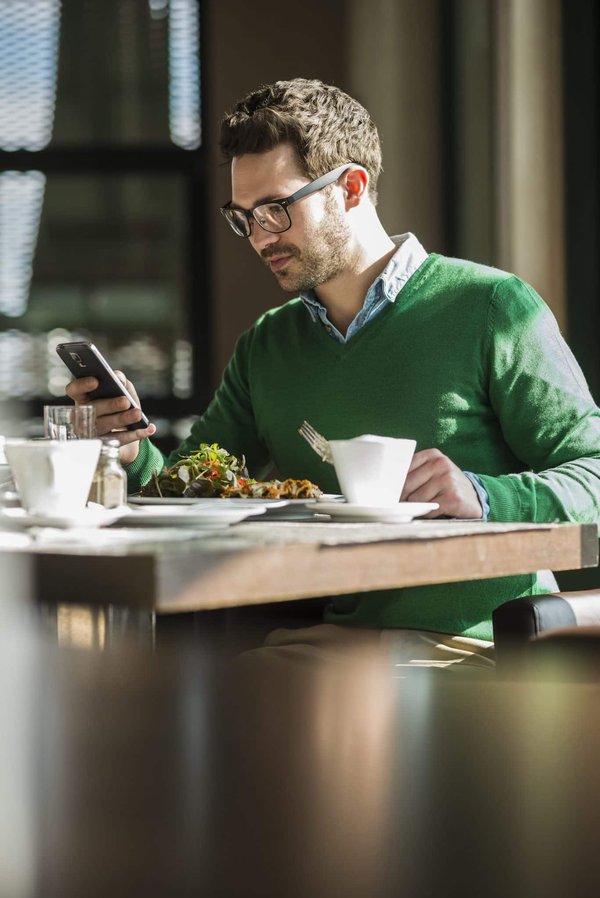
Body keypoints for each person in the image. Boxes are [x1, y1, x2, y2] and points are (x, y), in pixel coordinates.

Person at [67, 78, 600, 664]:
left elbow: (594, 474)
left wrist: (482, 495)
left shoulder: (490, 307)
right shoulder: (268, 345)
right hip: (330, 644)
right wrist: (129, 452)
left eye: (275, 210)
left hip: (474, 647)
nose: (259, 238)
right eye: (243, 218)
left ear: (351, 188)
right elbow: (189, 489)